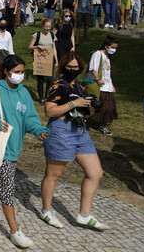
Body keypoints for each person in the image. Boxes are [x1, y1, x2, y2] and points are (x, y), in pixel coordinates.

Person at [0, 55, 50, 249]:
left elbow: (29, 118)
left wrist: (38, 130)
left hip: (14, 146)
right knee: (7, 188)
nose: (19, 76)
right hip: (0, 146)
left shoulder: (23, 94)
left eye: (22, 72)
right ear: (6, 72)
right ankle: (15, 231)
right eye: (16, 72)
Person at [40, 51, 108, 231]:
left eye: (76, 68)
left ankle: (84, 215)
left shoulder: (79, 86)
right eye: (69, 67)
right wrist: (74, 104)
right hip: (61, 130)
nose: (72, 70)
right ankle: (46, 210)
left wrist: (92, 107)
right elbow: (49, 111)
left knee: (95, 172)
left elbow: (86, 112)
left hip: (80, 130)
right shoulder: (56, 84)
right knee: (54, 174)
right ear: (63, 67)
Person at [86, 36, 119, 136]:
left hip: (107, 85)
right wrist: (98, 79)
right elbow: (92, 68)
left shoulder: (108, 57)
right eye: (113, 47)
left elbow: (108, 72)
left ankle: (102, 125)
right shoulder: (97, 54)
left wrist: (111, 85)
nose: (114, 50)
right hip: (100, 85)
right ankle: (86, 121)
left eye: (116, 48)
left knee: (108, 107)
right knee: (97, 106)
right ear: (106, 46)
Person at [28, 18, 58, 105]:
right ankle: (41, 98)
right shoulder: (36, 35)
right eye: (46, 26)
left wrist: (56, 61)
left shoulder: (52, 36)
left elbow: (54, 48)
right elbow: (30, 47)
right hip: (40, 59)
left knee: (50, 79)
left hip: (49, 59)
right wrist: (37, 46)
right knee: (40, 79)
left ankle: (47, 97)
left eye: (49, 26)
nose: (48, 28)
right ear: (42, 26)